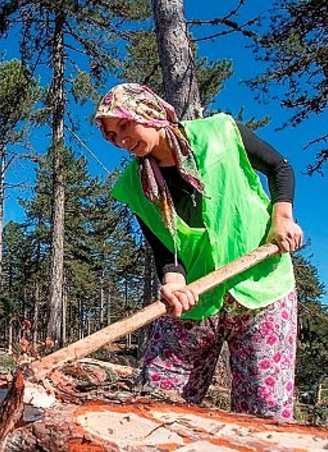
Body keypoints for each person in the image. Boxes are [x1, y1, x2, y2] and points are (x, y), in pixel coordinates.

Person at [94, 83, 304, 421]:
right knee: (156, 401)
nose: (121, 140)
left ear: (148, 113)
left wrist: (282, 218)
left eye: (124, 126)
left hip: (261, 287)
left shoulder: (220, 132)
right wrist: (173, 282)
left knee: (265, 411)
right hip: (195, 298)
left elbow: (280, 166)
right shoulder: (135, 184)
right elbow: (164, 246)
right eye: (112, 136)